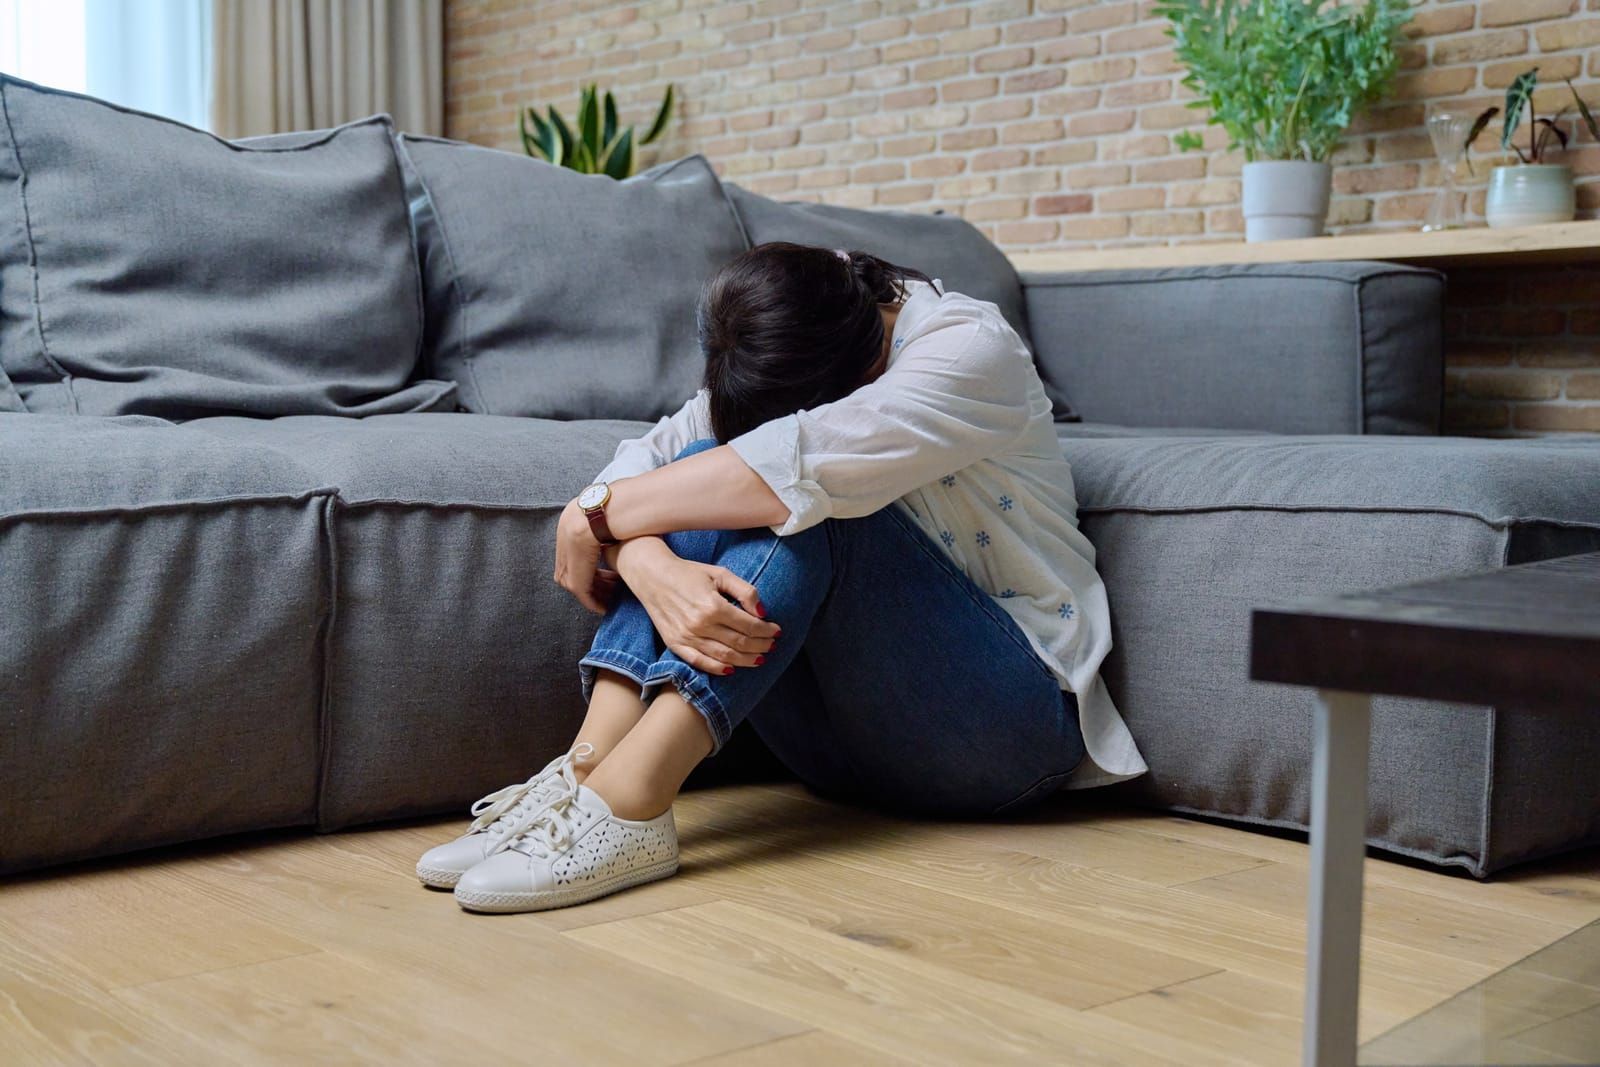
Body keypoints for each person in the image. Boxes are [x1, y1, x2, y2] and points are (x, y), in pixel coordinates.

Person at [416, 241, 1147, 913]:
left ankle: (632, 801)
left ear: (860, 372)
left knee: (806, 501)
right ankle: (584, 773)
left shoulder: (968, 347)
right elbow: (656, 460)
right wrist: (645, 558)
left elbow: (790, 468)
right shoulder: (810, 322)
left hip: (1004, 733)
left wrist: (598, 518)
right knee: (696, 469)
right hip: (841, 751)